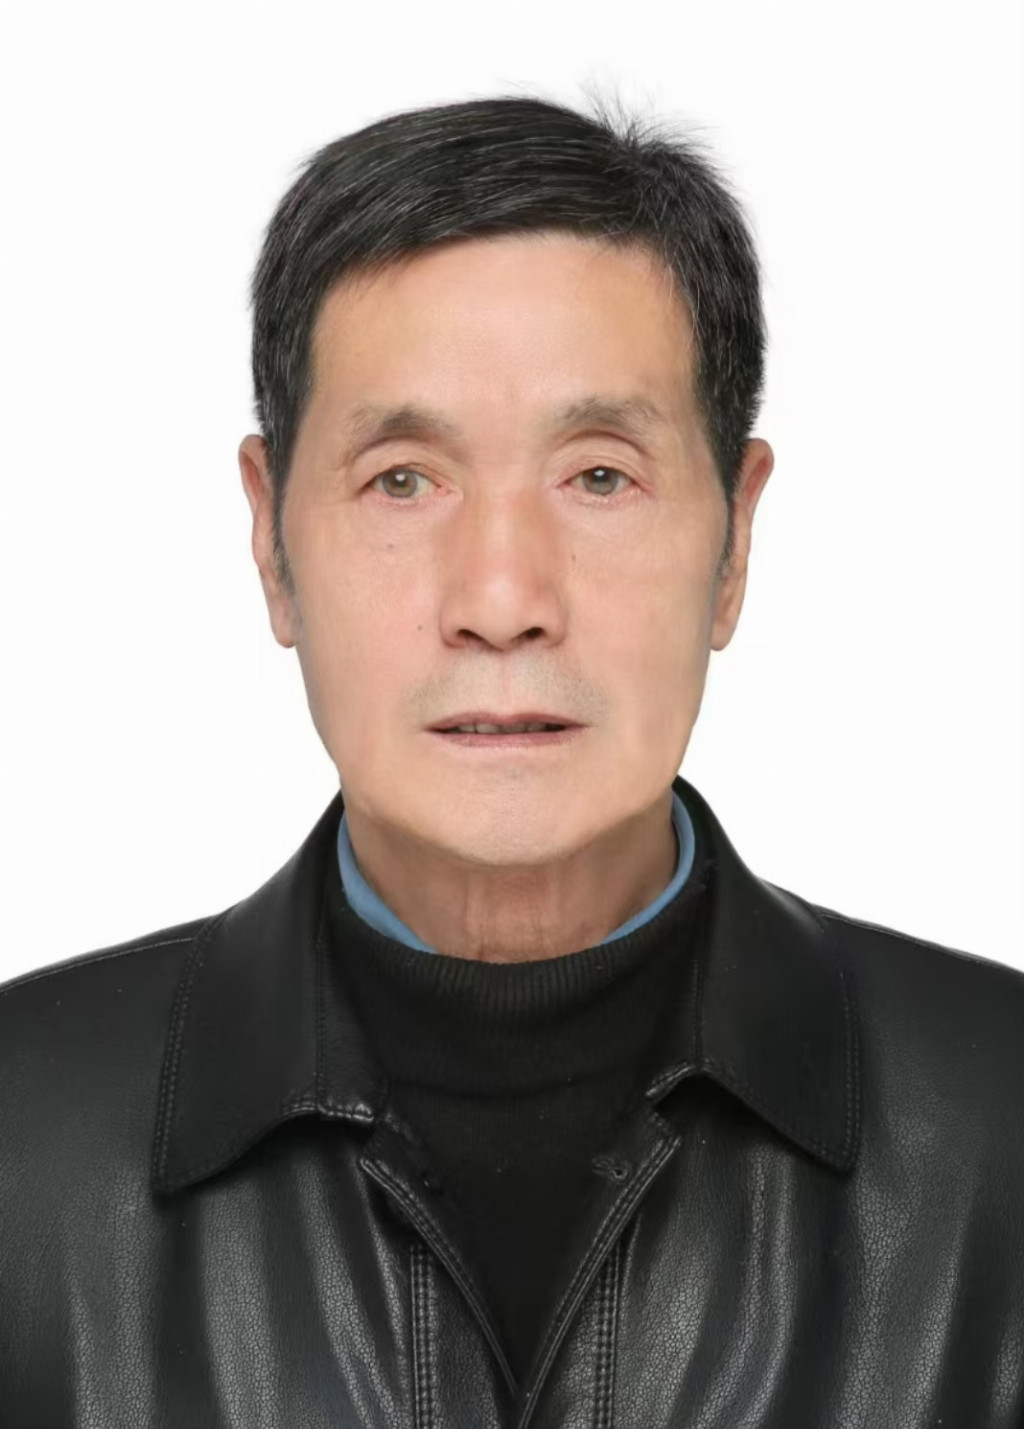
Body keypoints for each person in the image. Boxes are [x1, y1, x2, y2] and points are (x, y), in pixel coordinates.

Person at [1, 90, 1021, 1429]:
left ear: (735, 542)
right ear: (272, 544)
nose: (500, 599)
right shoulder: (23, 1145)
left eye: (598, 476)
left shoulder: (999, 1135)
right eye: (403, 478)